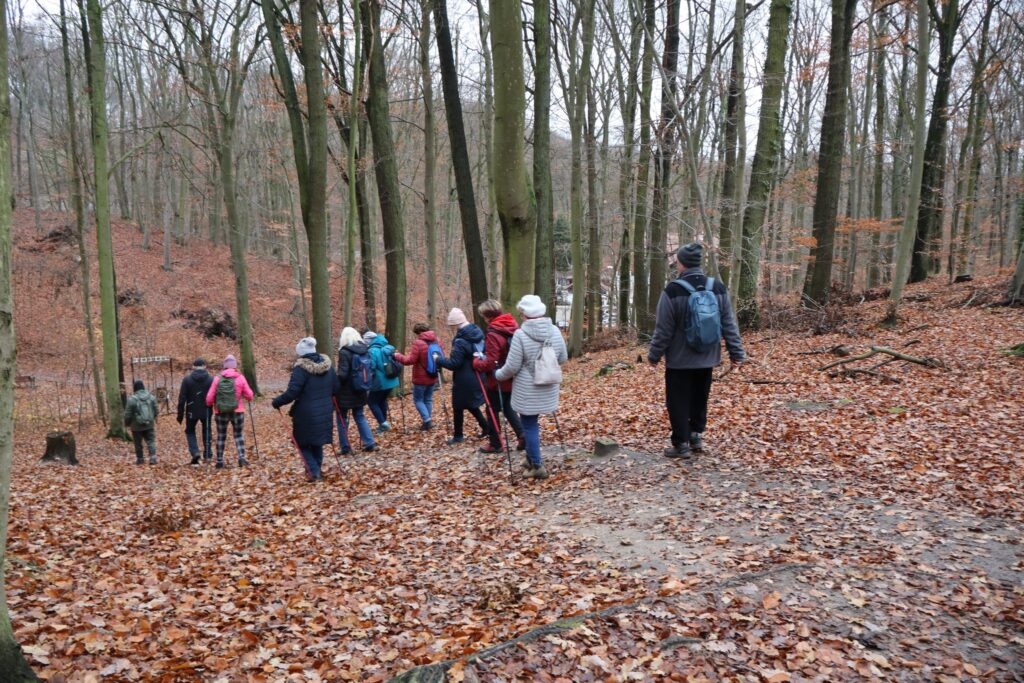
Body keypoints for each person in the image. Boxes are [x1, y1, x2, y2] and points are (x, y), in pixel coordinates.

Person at [647, 242, 746, 458]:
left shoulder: (672, 291)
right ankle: (695, 436)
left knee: (678, 400)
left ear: (681, 264)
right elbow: (729, 324)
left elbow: (663, 330)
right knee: (700, 398)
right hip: (707, 357)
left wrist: (654, 355)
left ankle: (681, 444)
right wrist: (737, 353)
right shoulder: (717, 287)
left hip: (679, 361)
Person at [495, 295, 568, 480]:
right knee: (531, 424)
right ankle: (530, 458)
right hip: (548, 385)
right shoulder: (554, 331)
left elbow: (512, 366)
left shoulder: (520, 335)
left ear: (525, 314)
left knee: (529, 424)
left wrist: (498, 374)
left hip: (527, 388)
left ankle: (537, 465)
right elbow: (563, 358)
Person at [272, 337, 337, 482]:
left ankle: (314, 472)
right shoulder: (329, 367)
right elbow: (336, 388)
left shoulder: (300, 369)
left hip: (306, 413)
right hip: (325, 411)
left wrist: (277, 402)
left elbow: (292, 392)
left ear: (301, 353)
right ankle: (316, 470)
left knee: (302, 443)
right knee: (317, 442)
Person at [472, 299, 525, 453]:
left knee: (492, 410)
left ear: (487, 316)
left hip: (497, 378)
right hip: (512, 373)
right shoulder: (512, 326)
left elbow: (490, 362)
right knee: (508, 407)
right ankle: (523, 435)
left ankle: (496, 444)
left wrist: (476, 362)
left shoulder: (493, 333)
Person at [437, 308, 493, 446]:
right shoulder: (478, 333)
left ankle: (458, 436)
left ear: (456, 324)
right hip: (478, 374)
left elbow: (454, 363)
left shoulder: (461, 341)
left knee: (458, 406)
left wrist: (438, 359)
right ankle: (486, 427)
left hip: (464, 378)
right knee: (470, 404)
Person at [205, 354, 255, 469]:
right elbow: (250, 395)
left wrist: (209, 404)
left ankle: (219, 460)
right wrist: (246, 397)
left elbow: (209, 398)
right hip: (238, 411)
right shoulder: (240, 378)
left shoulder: (217, 379)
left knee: (221, 436)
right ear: (235, 366)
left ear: (224, 366)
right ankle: (241, 457)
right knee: (238, 435)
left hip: (220, 411)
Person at [335, 327, 378, 454]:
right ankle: (369, 443)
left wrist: (334, 381)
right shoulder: (364, 349)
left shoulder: (344, 352)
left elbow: (343, 374)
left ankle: (345, 447)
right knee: (359, 416)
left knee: (341, 418)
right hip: (361, 389)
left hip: (345, 392)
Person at [394, 322, 443, 431]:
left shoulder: (418, 343)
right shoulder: (437, 340)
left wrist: (397, 356)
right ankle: (427, 422)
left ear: (418, 332)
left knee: (418, 400)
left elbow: (409, 360)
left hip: (420, 378)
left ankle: (427, 421)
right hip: (433, 374)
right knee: (428, 399)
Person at [176, 358, 213, 465]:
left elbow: (182, 398)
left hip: (191, 411)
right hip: (206, 409)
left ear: (193, 367)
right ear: (205, 366)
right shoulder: (211, 379)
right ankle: (207, 455)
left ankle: (195, 452)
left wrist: (180, 415)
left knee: (190, 431)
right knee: (207, 431)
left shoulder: (187, 380)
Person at [364, 330, 400, 433]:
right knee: (381, 401)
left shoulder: (372, 351)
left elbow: (372, 366)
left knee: (372, 402)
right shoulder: (387, 347)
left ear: (370, 341)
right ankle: (383, 424)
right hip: (391, 381)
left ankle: (383, 423)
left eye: (366, 341)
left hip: (380, 382)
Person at [125, 379, 159, 465]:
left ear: (134, 388)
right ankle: (153, 457)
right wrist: (152, 418)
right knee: (151, 441)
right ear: (143, 387)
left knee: (138, 443)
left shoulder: (132, 399)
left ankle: (140, 459)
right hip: (149, 424)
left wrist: (127, 423)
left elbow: (127, 414)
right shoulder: (151, 397)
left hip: (136, 426)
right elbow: (156, 410)